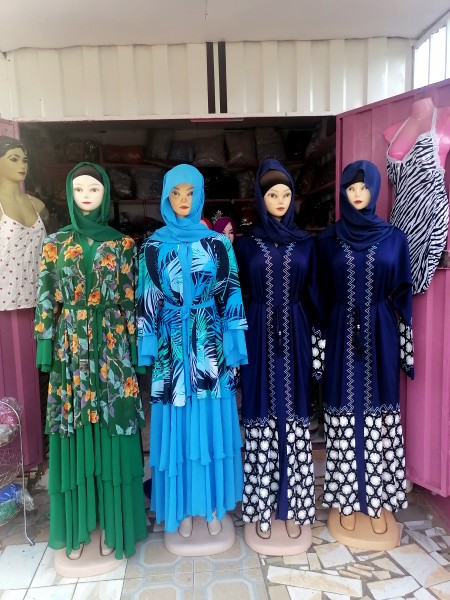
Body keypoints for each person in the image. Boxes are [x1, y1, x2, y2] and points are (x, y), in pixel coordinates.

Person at [34, 162, 147, 560]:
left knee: (114, 425)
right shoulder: (54, 244)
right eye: (79, 189)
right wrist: (45, 344)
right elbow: (46, 295)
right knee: (76, 425)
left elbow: (131, 299)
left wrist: (136, 350)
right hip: (71, 349)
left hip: (113, 347)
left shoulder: (124, 244)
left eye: (94, 189)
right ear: (69, 193)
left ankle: (116, 522)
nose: (86, 195)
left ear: (105, 195)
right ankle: (81, 523)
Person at [137, 164, 247, 546]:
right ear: (166, 197)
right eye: (176, 193)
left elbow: (231, 293)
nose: (183, 200)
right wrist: (147, 347)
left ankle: (213, 506)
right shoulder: (153, 246)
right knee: (178, 428)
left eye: (189, 193)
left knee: (210, 424)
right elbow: (147, 299)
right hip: (171, 348)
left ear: (199, 196)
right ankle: (183, 507)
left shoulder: (217, 244)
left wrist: (234, 346)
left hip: (209, 346)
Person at [318, 160, 414, 542]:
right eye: (350, 188)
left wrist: (405, 349)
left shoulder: (394, 239)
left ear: (374, 190)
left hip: (380, 332)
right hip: (341, 330)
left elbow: (404, 294)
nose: (357, 194)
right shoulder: (328, 240)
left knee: (377, 413)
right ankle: (344, 501)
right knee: (343, 413)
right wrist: (319, 350)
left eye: (364, 187)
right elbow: (320, 294)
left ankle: (375, 501)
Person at [233, 159, 323, 547]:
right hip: (257, 333)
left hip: (296, 332)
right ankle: (262, 507)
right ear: (260, 197)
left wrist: (318, 347)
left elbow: (315, 295)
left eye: (286, 194)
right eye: (272, 194)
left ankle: (295, 506)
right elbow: (235, 296)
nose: (281, 201)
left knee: (294, 415)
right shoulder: (244, 244)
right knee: (260, 414)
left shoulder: (307, 243)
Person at [0, 136, 47, 467]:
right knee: (9, 384)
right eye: (13, 158)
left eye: (24, 159)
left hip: (38, 304)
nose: (22, 165)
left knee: (36, 380)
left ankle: (35, 454)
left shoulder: (37, 204)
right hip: (4, 306)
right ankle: (14, 460)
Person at [383, 97, 450, 294]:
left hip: (430, 217)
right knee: (396, 279)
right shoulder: (393, 131)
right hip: (399, 221)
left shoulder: (446, 117)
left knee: (417, 279)